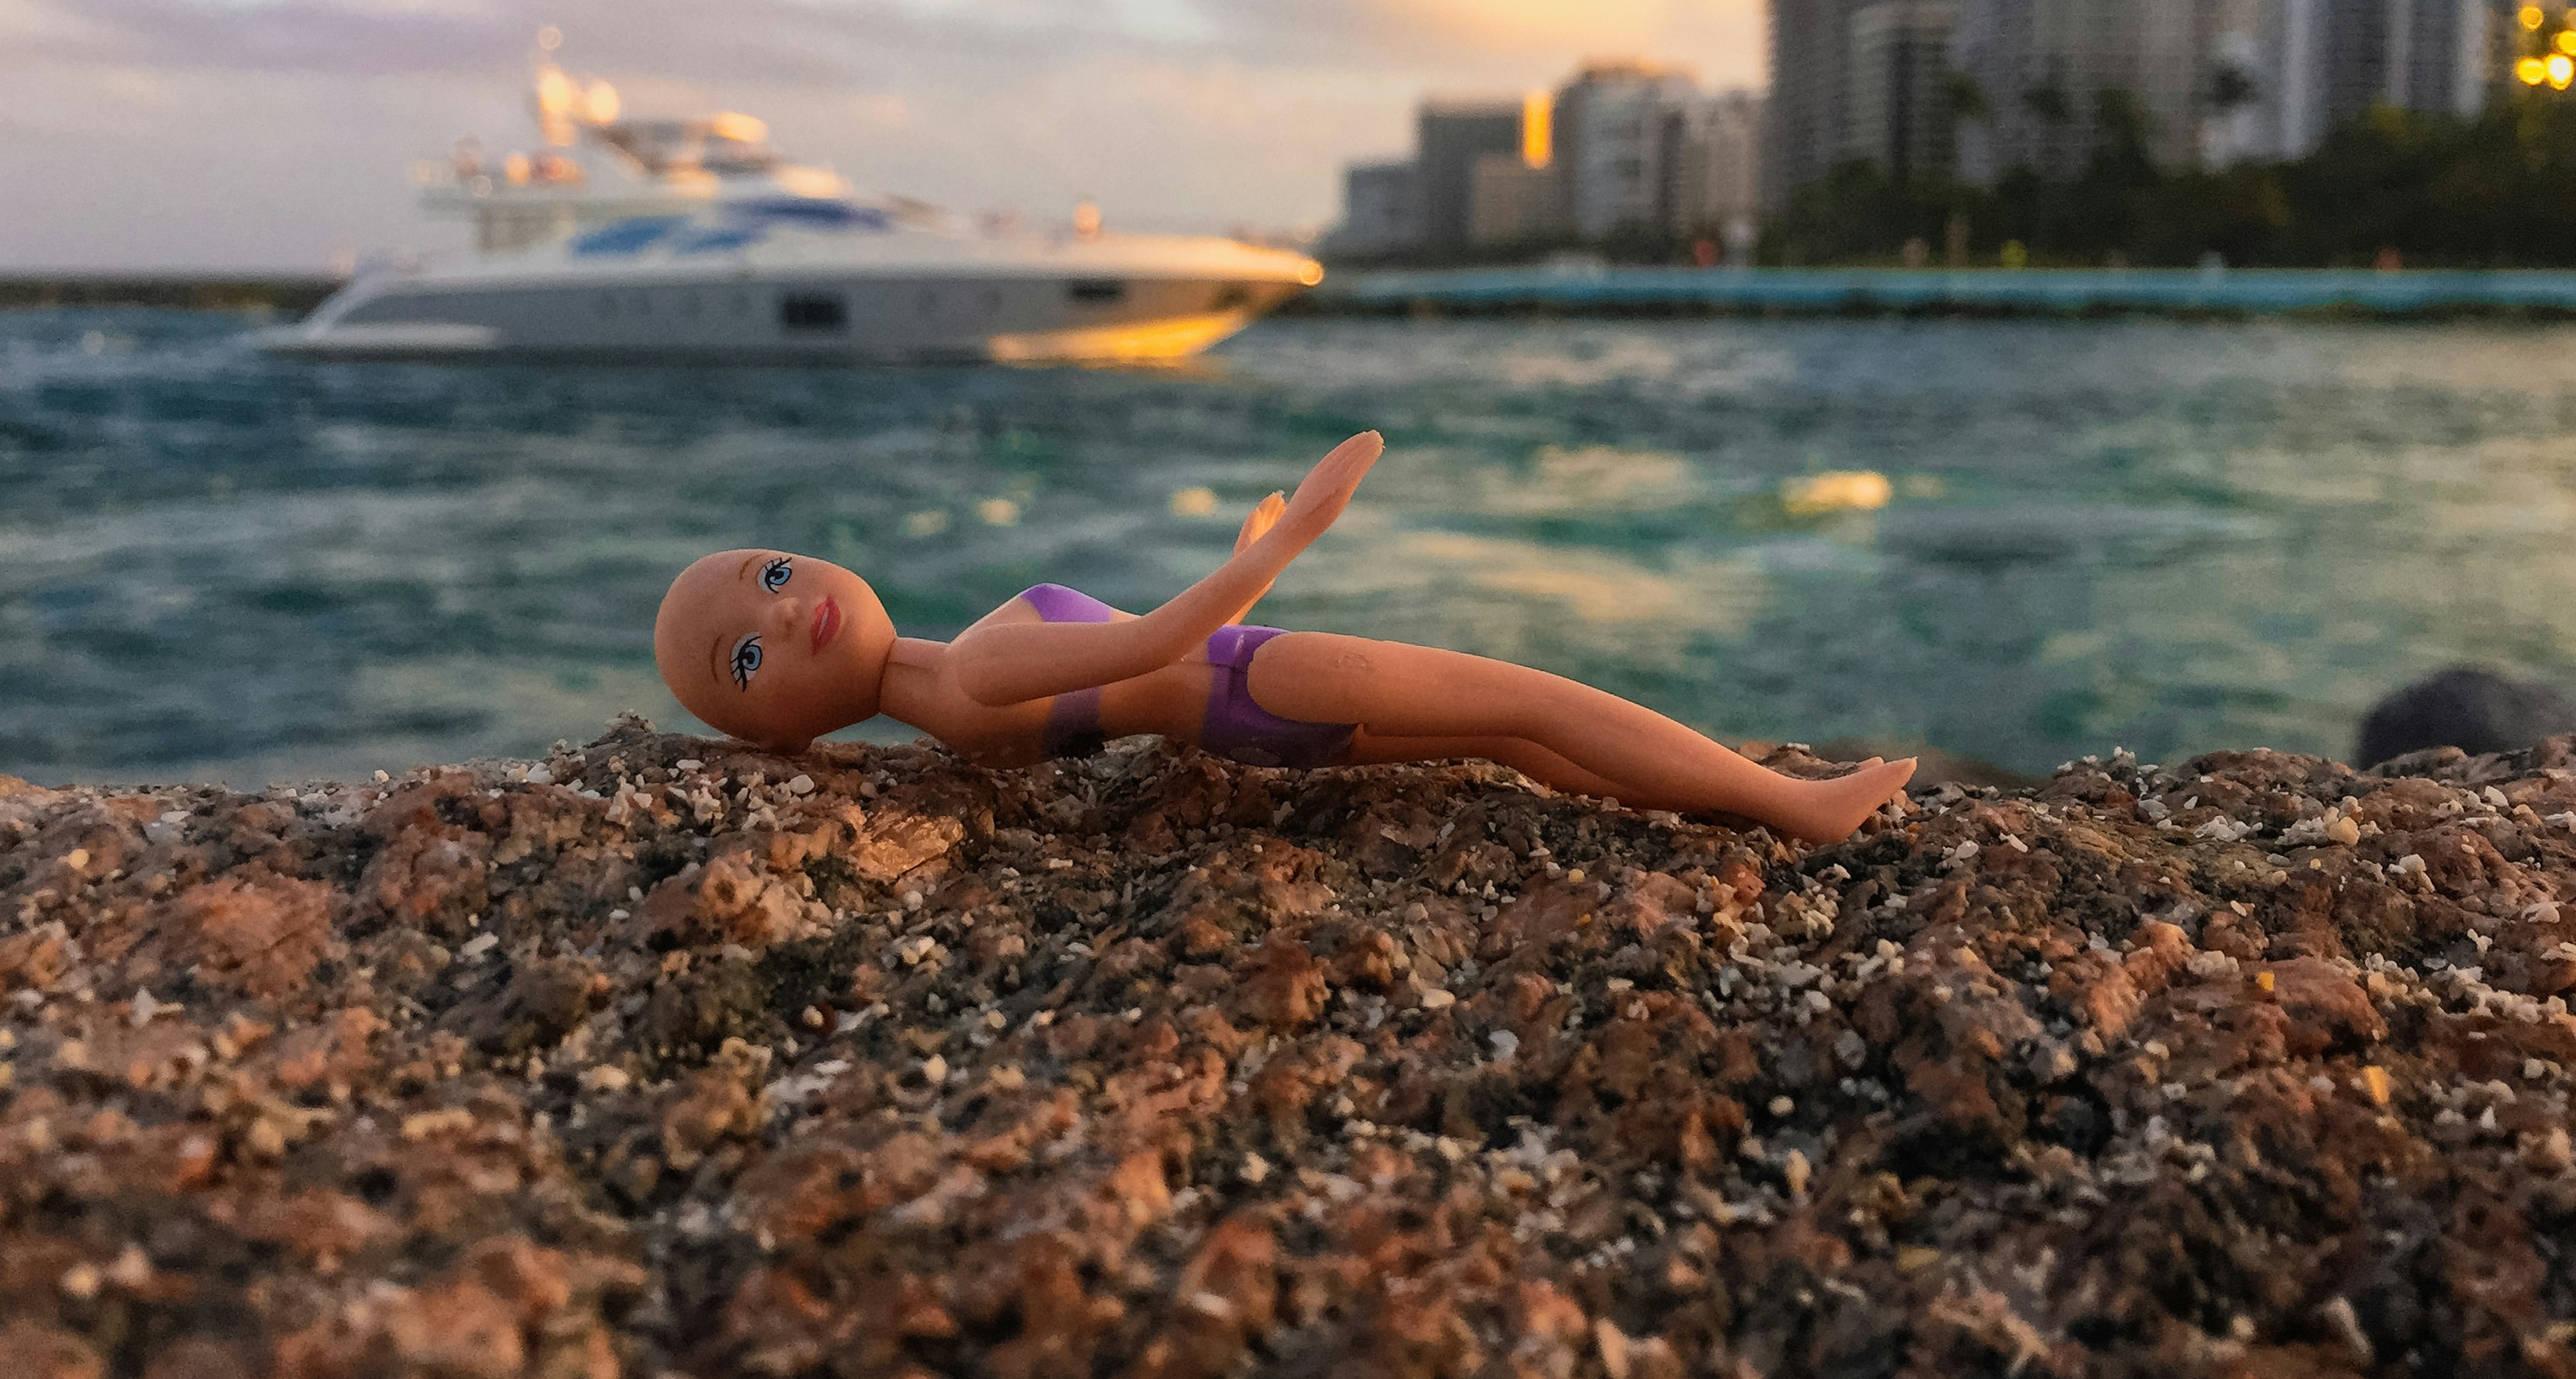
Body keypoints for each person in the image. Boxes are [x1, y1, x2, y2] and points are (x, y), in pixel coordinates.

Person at [654, 432, 1912, 846]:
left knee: (1521, 741)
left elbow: (1138, 676)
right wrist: (1289, 535)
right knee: (1540, 699)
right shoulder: (970, 668)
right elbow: (1157, 637)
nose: (783, 605)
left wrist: (1249, 563)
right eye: (748, 656)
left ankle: (1749, 806)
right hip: (1267, 680)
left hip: (1249, 701)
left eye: (770, 571)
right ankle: (1796, 806)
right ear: (774, 725)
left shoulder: (941, 694)